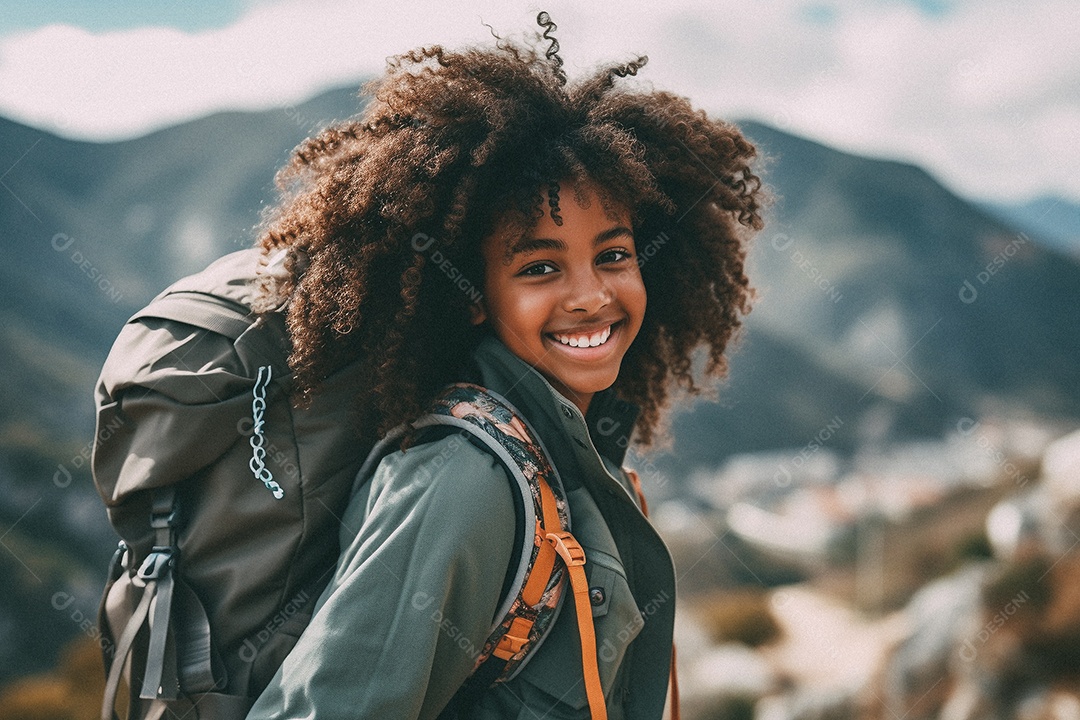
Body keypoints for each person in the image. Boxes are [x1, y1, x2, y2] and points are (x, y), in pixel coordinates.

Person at [245, 12, 764, 720]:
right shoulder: (462, 480)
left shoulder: (571, 449)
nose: (592, 295)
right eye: (540, 267)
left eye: (613, 254)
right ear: (470, 298)